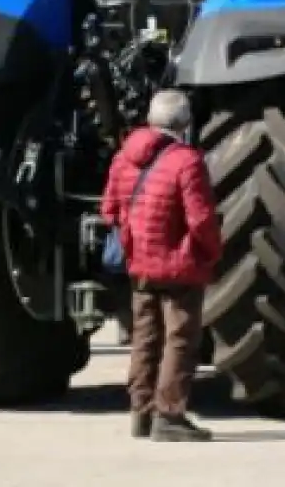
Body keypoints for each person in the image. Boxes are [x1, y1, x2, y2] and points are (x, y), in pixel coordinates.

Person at [101, 90, 220, 443]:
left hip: (139, 264)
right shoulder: (187, 162)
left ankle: (140, 413)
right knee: (180, 338)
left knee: (145, 337)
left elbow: (108, 209)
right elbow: (200, 219)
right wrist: (211, 251)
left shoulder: (125, 156)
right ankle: (169, 415)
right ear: (185, 123)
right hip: (179, 265)